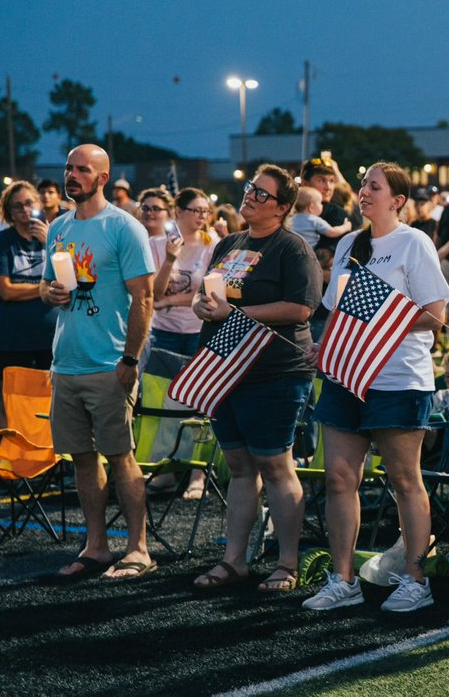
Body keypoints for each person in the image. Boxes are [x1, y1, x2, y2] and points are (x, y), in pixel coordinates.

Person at [303, 162, 449, 613]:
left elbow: (436, 314)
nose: (364, 192)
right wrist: (324, 345)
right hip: (347, 374)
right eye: (363, 185)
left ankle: (415, 578)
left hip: (398, 379)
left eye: (374, 186)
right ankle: (343, 579)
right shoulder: (349, 243)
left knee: (406, 479)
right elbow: (337, 312)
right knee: (340, 477)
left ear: (398, 200)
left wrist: (383, 325)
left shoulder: (414, 242)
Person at [191, 164, 322, 592]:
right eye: (250, 189)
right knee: (239, 466)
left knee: (275, 463)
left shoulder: (292, 249)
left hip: (274, 372)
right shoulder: (229, 243)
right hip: (223, 368)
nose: (250, 197)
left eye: (262, 194)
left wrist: (236, 313)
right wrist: (201, 306)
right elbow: (207, 293)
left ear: (283, 207)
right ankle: (234, 561)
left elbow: (301, 309)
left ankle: (286, 563)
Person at [40, 144, 156, 581]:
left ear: (103, 177)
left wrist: (129, 359)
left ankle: (138, 548)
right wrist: (48, 292)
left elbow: (144, 297)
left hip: (109, 363)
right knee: (83, 460)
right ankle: (96, 546)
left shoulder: (123, 228)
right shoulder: (59, 227)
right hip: (66, 362)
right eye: (69, 167)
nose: (72, 176)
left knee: (121, 456)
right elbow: (46, 287)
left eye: (82, 169)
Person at [0, 181, 59, 377]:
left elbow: (67, 279)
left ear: (38, 204)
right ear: (9, 211)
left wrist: (49, 242)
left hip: (52, 337)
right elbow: (6, 291)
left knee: (52, 403)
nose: (25, 209)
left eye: (29, 203)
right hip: (13, 339)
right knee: (11, 403)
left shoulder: (55, 238)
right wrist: (45, 287)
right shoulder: (0, 242)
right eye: (17, 206)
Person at [150, 187, 218, 357]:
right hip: (163, 330)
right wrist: (169, 260)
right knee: (160, 383)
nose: (202, 216)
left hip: (197, 330)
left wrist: (169, 301)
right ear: (178, 211)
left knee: (196, 382)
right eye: (196, 210)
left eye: (206, 211)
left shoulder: (212, 245)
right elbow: (156, 294)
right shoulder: (156, 244)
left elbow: (209, 294)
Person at [298, 158, 352, 250]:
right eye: (321, 180)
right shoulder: (288, 211)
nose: (328, 187)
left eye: (331, 181)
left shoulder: (337, 214)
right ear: (304, 184)